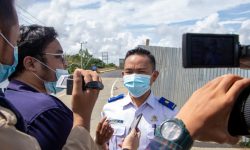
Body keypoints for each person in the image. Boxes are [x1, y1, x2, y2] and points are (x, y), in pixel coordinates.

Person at [4, 24, 72, 150]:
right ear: (31, 64)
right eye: (58, 56)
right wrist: (82, 116)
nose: (65, 64)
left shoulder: (6, 98)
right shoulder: (49, 110)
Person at [102, 47, 178, 150]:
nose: (134, 77)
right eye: (129, 72)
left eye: (141, 72)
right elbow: (104, 145)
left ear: (154, 76)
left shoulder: (169, 113)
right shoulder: (110, 109)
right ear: (123, 75)